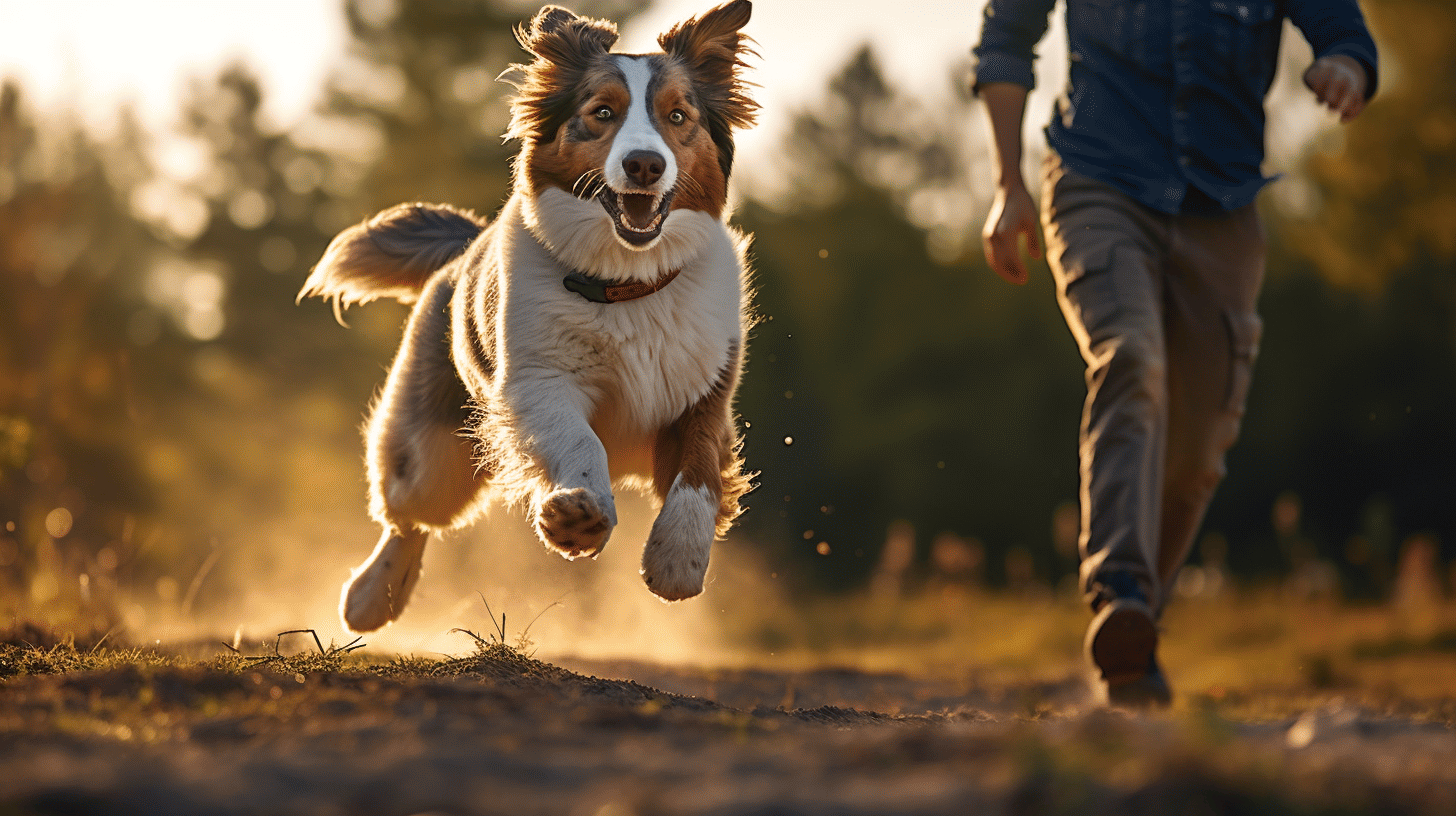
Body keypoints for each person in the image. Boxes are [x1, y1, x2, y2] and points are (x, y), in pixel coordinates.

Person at [971, 1, 1378, 706]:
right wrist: (1009, 184)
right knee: (1130, 355)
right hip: (1098, 183)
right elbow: (1007, 38)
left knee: (1199, 450)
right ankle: (1118, 589)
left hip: (1222, 206)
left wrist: (1348, 66)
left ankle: (1134, 635)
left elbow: (1344, 30)